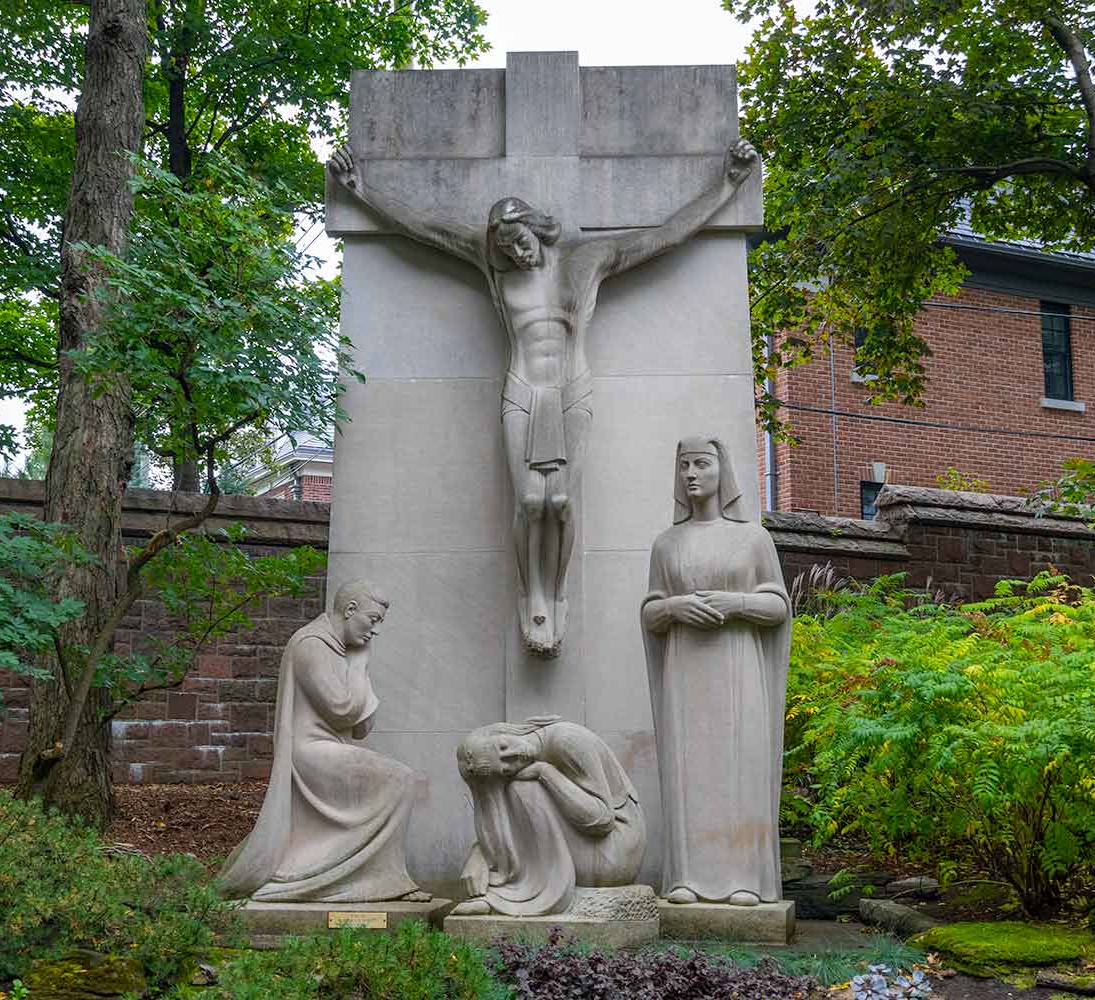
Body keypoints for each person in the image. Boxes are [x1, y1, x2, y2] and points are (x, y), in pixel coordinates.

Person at [328, 139, 760, 658]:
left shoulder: (589, 258)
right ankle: (530, 592)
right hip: (523, 388)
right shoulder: (495, 263)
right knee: (531, 501)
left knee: (559, 503)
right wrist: (362, 192)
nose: (517, 254)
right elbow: (428, 230)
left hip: (570, 390)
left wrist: (728, 186)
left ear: (538, 228)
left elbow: (664, 235)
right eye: (507, 248)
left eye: (522, 243)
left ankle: (555, 592)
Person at [640, 436, 792, 906]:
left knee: (739, 768)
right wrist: (675, 607)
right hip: (685, 669)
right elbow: (649, 611)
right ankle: (686, 878)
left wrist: (738, 602)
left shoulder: (752, 538)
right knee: (688, 771)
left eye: (701, 464)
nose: (691, 474)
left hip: (737, 665)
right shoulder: (666, 544)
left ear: (720, 471)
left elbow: (779, 606)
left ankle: (744, 879)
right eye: (684, 464)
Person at [217, 580, 430, 903]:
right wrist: (358, 665)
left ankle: (367, 876)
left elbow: (362, 727)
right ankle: (336, 877)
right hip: (309, 752)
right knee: (399, 779)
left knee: (399, 780)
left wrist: (359, 664)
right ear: (350, 610)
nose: (376, 631)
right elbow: (343, 710)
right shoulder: (311, 645)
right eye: (373, 620)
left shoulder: (341, 649)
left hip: (330, 748)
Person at [451, 716, 645, 917]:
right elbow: (503, 814)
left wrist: (545, 772)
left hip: (616, 850)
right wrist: (482, 851)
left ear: (503, 731)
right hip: (587, 847)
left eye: (502, 746)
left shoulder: (567, 741)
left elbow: (602, 820)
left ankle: (515, 897)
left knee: (525, 789)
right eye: (504, 768)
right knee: (519, 786)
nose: (512, 756)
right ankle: (507, 889)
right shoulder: (526, 763)